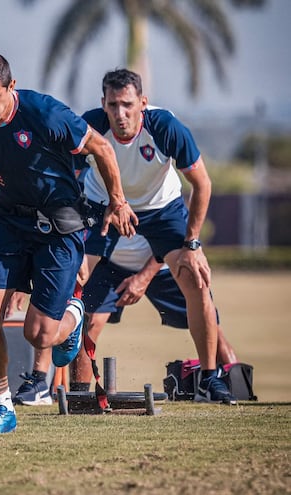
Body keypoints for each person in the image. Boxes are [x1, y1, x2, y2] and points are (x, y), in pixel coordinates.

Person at [0, 51, 137, 434]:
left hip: (58, 224)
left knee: (39, 334)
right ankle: (2, 409)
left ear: (11, 87)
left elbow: (103, 149)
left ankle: (73, 314)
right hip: (6, 221)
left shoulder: (45, 114)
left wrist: (118, 200)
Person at [80, 68, 237, 405]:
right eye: (112, 105)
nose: (120, 114)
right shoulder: (89, 126)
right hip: (103, 205)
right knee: (75, 282)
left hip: (161, 209)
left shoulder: (165, 127)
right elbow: (63, 174)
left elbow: (202, 184)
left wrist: (192, 244)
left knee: (195, 278)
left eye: (127, 105)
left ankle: (210, 379)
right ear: (103, 104)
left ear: (143, 103)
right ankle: (72, 391)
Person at [12, 234, 238, 405]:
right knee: (89, 322)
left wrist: (142, 277)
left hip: (161, 264)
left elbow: (171, 234)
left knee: (208, 321)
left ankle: (234, 388)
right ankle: (79, 397)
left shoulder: (155, 184)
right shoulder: (97, 183)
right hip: (110, 263)